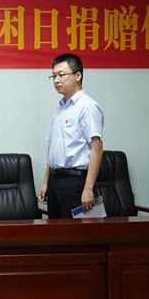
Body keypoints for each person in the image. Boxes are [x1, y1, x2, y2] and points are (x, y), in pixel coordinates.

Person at [38, 53, 104, 219]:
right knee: (56, 232)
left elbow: (97, 148)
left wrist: (88, 188)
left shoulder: (88, 107)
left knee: (77, 233)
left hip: (75, 183)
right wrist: (46, 182)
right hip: (55, 181)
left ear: (78, 75)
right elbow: (53, 149)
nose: (56, 80)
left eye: (61, 75)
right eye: (53, 76)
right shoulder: (60, 108)